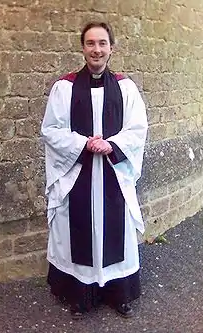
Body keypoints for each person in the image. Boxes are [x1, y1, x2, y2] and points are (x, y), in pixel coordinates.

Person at [41, 21, 148, 319]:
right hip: (78, 176)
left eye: (102, 43)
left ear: (112, 47)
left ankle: (119, 294)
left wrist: (111, 145)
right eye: (90, 43)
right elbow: (50, 130)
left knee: (115, 231)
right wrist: (83, 143)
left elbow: (138, 129)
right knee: (78, 232)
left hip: (113, 175)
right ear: (83, 47)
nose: (96, 49)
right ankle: (80, 296)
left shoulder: (126, 88)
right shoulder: (64, 87)